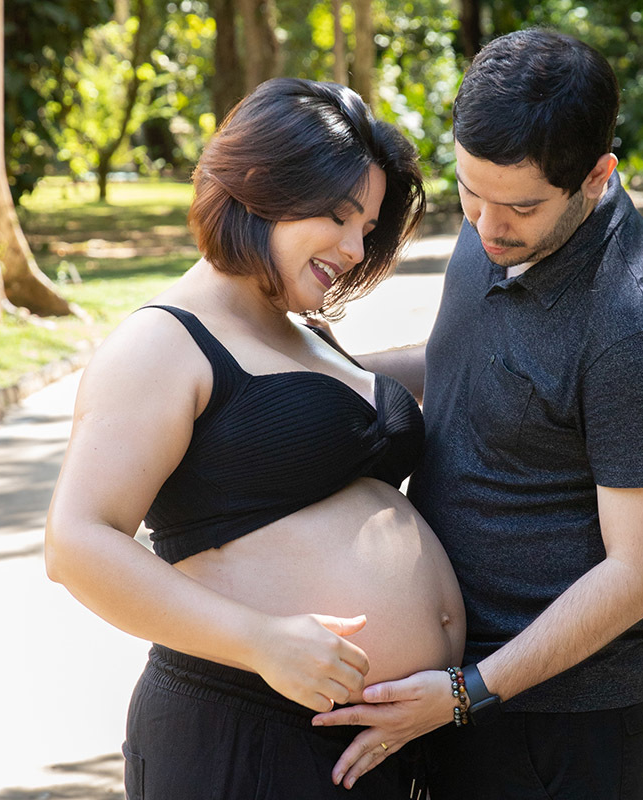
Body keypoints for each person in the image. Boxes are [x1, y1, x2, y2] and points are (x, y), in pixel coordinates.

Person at [313, 29, 643, 799]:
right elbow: (457, 368)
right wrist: (312, 377)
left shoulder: (641, 331)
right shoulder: (492, 228)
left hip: (562, 719)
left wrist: (469, 691)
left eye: (520, 208)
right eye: (471, 192)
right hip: (454, 690)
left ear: (597, 176)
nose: (487, 227)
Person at [44, 77, 463, 800]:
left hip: (374, 744)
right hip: (245, 735)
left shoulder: (301, 334)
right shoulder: (162, 343)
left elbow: (407, 375)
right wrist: (261, 641)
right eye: (337, 215)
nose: (355, 247)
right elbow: (76, 543)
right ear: (259, 185)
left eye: (365, 226)